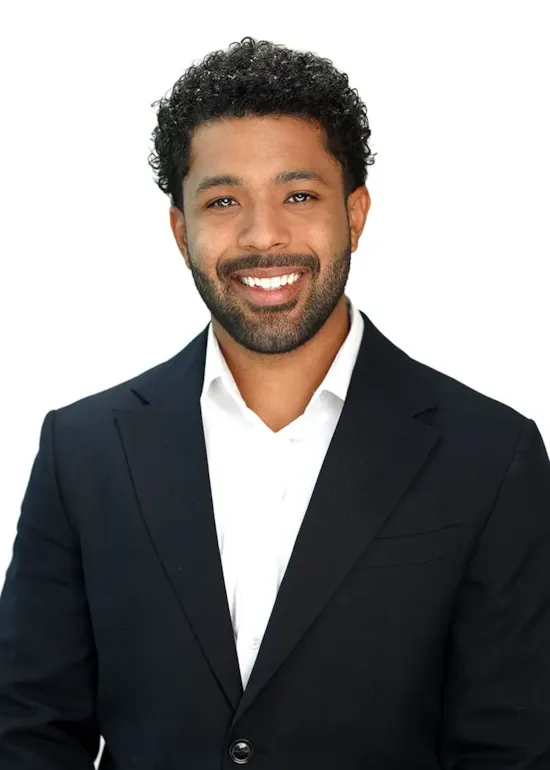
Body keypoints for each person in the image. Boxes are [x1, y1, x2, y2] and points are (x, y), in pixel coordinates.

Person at [1, 35, 549, 770]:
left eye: (299, 195)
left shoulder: (490, 456)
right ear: (180, 229)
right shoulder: (85, 449)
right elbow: (28, 730)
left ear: (355, 214)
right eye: (224, 200)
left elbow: (512, 749)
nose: (263, 235)